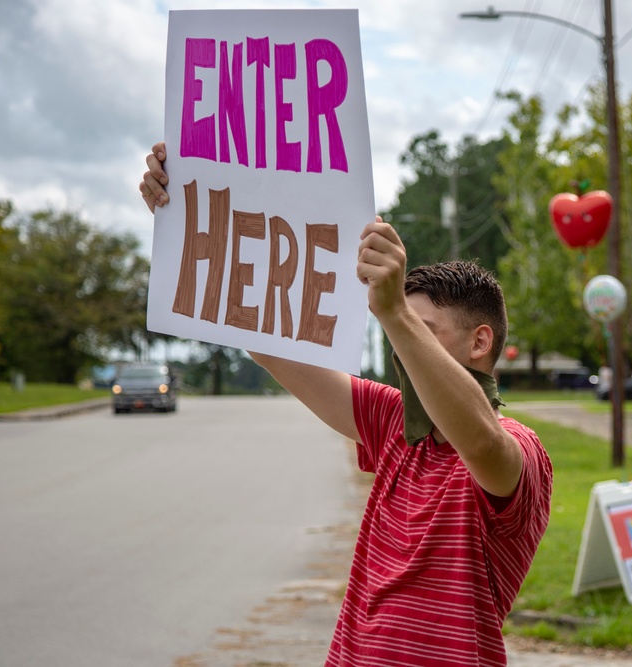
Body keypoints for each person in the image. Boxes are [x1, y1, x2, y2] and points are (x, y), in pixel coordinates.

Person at [139, 143, 553, 667]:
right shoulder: (393, 423)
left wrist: (394, 311)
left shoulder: (522, 448)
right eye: (398, 327)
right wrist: (190, 218)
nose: (404, 343)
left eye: (421, 331)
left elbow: (480, 439)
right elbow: (266, 344)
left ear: (480, 342)